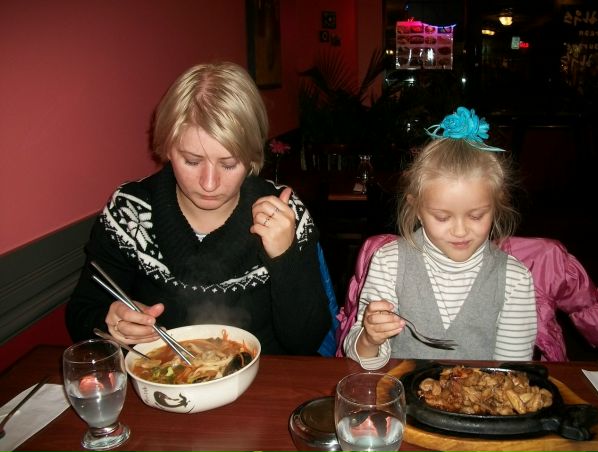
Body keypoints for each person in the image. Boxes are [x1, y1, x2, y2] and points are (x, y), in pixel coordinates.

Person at [66, 62, 331, 355]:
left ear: (252, 157)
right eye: (192, 161)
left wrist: (285, 258)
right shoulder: (130, 211)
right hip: (159, 376)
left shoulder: (283, 212)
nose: (209, 183)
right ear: (167, 147)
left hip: (262, 377)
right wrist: (111, 322)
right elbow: (82, 312)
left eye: (228, 164)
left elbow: (306, 342)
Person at [343, 107, 537, 369]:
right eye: (443, 217)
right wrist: (369, 338)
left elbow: (512, 373)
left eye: (476, 216)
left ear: (496, 206)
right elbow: (363, 361)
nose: (460, 231)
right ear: (417, 209)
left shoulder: (515, 279)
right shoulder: (388, 263)